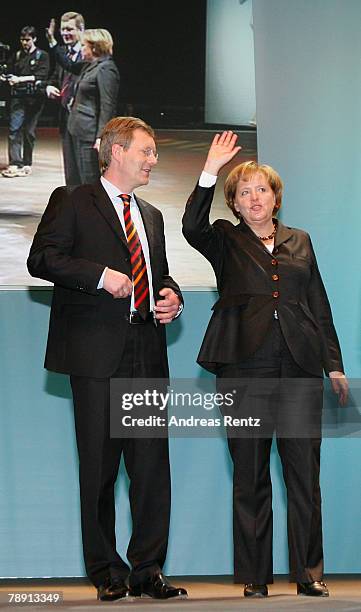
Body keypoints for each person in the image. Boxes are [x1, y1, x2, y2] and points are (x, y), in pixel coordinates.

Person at [182, 131, 348, 599]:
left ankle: (309, 573)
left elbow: (319, 302)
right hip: (244, 369)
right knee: (250, 473)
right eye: (244, 192)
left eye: (262, 189)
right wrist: (210, 172)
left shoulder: (301, 240)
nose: (255, 198)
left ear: (276, 198)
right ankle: (255, 575)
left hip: (299, 367)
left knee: (303, 475)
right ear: (234, 203)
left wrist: (333, 364)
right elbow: (191, 225)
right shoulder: (223, 240)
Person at [27, 116, 187, 602]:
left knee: (151, 468)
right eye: (147, 150)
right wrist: (99, 276)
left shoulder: (153, 215)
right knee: (98, 467)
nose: (153, 160)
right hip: (96, 355)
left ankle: (148, 568)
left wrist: (171, 296)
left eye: (155, 152)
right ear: (116, 151)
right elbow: (42, 258)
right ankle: (106, 571)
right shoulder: (72, 201)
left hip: (145, 351)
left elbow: (160, 274)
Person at [48, 28, 120, 185]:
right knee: (73, 177)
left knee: (89, 178)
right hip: (76, 128)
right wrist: (53, 44)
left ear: (94, 47)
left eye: (83, 45)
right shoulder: (88, 65)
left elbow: (108, 105)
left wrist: (102, 136)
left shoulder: (106, 68)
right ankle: (76, 207)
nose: (80, 49)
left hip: (89, 133)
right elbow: (68, 64)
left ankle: (91, 209)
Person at [1, 26, 49, 178]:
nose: (24, 42)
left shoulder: (43, 55)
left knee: (29, 131)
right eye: (22, 39)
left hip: (35, 98)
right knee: (14, 129)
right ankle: (15, 162)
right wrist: (5, 77)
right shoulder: (17, 55)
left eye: (27, 39)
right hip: (18, 97)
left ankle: (27, 162)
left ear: (34, 39)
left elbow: (41, 76)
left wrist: (20, 79)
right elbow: (9, 71)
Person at [45, 12, 85, 185]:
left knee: (86, 172)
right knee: (70, 171)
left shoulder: (87, 53)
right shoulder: (63, 53)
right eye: (63, 29)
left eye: (70, 29)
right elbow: (55, 76)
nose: (65, 33)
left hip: (84, 121)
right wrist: (49, 87)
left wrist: (52, 43)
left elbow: (72, 67)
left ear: (81, 30)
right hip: (65, 117)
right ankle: (74, 207)